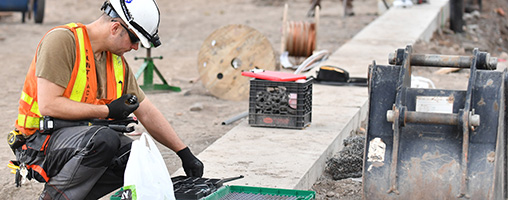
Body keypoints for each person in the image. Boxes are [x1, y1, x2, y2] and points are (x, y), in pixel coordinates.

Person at [11, 0, 204, 199]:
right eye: (134, 40)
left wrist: (184, 153)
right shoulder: (63, 41)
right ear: (115, 28)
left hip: (76, 139)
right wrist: (108, 111)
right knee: (104, 141)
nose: (136, 48)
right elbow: (49, 104)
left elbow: (145, 110)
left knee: (135, 158)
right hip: (37, 142)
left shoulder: (115, 60)